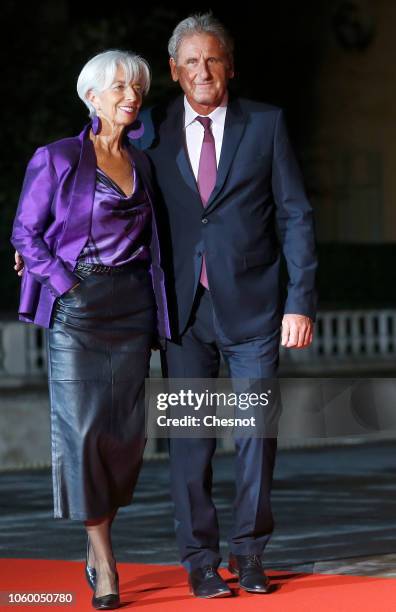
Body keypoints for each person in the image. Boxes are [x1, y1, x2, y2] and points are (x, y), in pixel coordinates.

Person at [136, 13, 317, 598]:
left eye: (212, 59)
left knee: (255, 438)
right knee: (191, 441)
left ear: (230, 66)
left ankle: (250, 553)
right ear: (173, 71)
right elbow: (114, 200)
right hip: (184, 315)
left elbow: (294, 214)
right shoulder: (152, 131)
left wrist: (300, 300)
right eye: (191, 61)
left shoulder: (266, 124)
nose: (203, 70)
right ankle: (199, 557)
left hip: (256, 310)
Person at [11, 50, 169, 610]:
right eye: (121, 87)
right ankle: (103, 560)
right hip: (77, 311)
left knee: (124, 440)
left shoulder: (145, 163)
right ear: (92, 96)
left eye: (138, 88)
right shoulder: (55, 158)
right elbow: (25, 233)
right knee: (83, 436)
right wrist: (65, 284)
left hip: (132, 311)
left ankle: (97, 532)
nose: (132, 96)